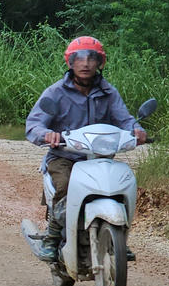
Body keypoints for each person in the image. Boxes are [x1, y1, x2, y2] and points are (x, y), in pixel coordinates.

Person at [25, 36, 146, 262]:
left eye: (92, 58)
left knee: (121, 186)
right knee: (65, 186)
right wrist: (47, 134)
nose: (86, 63)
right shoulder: (56, 92)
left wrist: (136, 130)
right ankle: (52, 238)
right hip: (65, 157)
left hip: (100, 158)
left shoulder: (109, 92)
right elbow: (34, 124)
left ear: (100, 62)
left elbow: (125, 119)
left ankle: (119, 238)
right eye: (79, 58)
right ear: (69, 62)